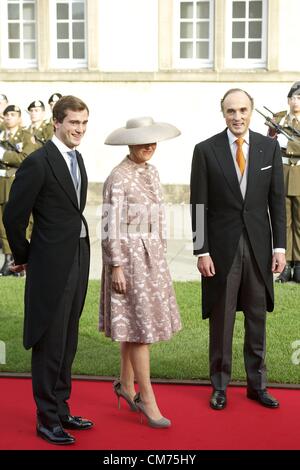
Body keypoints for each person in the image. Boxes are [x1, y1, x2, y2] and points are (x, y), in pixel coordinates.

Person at [3, 95, 93, 445]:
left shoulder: (78, 158)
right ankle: (46, 418)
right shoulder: (38, 162)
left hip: (78, 259)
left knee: (68, 338)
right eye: (73, 123)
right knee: (49, 340)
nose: (79, 130)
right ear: (56, 122)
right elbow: (13, 215)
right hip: (48, 264)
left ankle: (61, 407)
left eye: (84, 123)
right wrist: (25, 254)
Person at [190, 89, 286, 411]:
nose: (237, 117)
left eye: (243, 110)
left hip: (259, 249)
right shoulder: (205, 151)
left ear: (251, 110)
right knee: (222, 321)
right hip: (220, 251)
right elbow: (198, 205)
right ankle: (219, 386)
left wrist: (280, 247)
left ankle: (257, 385)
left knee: (257, 319)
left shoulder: (269, 148)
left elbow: (276, 202)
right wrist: (201, 250)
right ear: (223, 113)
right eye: (231, 111)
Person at [100, 116, 182, 428]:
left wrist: (159, 252)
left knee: (133, 327)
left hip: (151, 259)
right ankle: (146, 399)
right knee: (140, 330)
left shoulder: (151, 171)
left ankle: (124, 384)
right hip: (129, 259)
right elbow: (109, 226)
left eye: (153, 140)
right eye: (143, 141)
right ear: (129, 143)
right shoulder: (117, 177)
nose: (149, 146)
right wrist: (116, 265)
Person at [267, 82, 300, 283]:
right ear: (288, 100)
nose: (297, 101)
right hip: (283, 172)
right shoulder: (278, 119)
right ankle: (285, 265)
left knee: (299, 222)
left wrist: (289, 142)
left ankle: (299, 263)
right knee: (284, 221)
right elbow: (268, 142)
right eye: (294, 98)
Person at [0, 105, 35, 276]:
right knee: (1, 225)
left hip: (16, 184)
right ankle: (8, 260)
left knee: (18, 223)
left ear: (19, 118)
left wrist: (4, 156)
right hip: (1, 183)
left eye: (13, 115)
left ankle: (19, 259)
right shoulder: (0, 135)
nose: (8, 118)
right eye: (6, 115)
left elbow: (26, 158)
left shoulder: (26, 136)